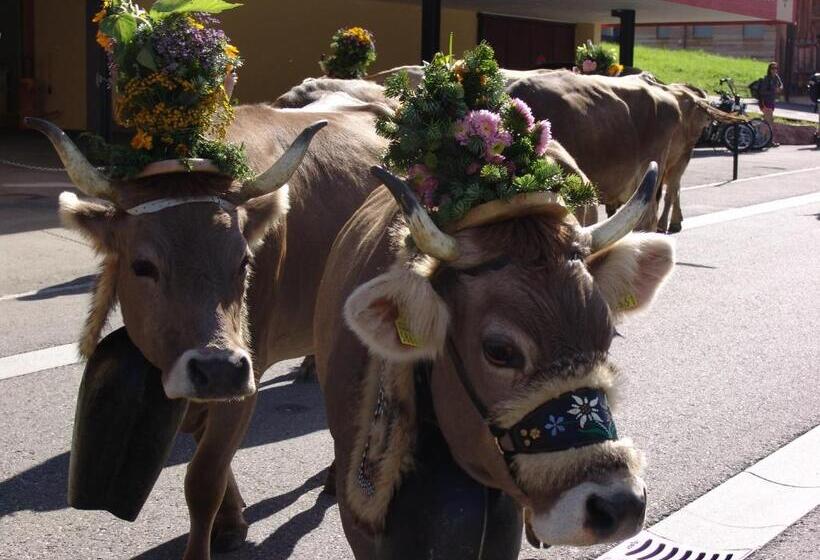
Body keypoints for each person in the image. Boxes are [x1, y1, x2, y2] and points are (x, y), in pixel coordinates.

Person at [758, 62, 784, 147]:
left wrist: (780, 88)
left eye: (776, 68)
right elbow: (762, 92)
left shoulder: (776, 77)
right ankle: (767, 141)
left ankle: (766, 140)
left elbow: (781, 85)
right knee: (768, 122)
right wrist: (773, 91)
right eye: (773, 68)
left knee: (769, 122)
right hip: (766, 102)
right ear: (769, 69)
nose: (774, 70)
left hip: (772, 102)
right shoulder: (767, 79)